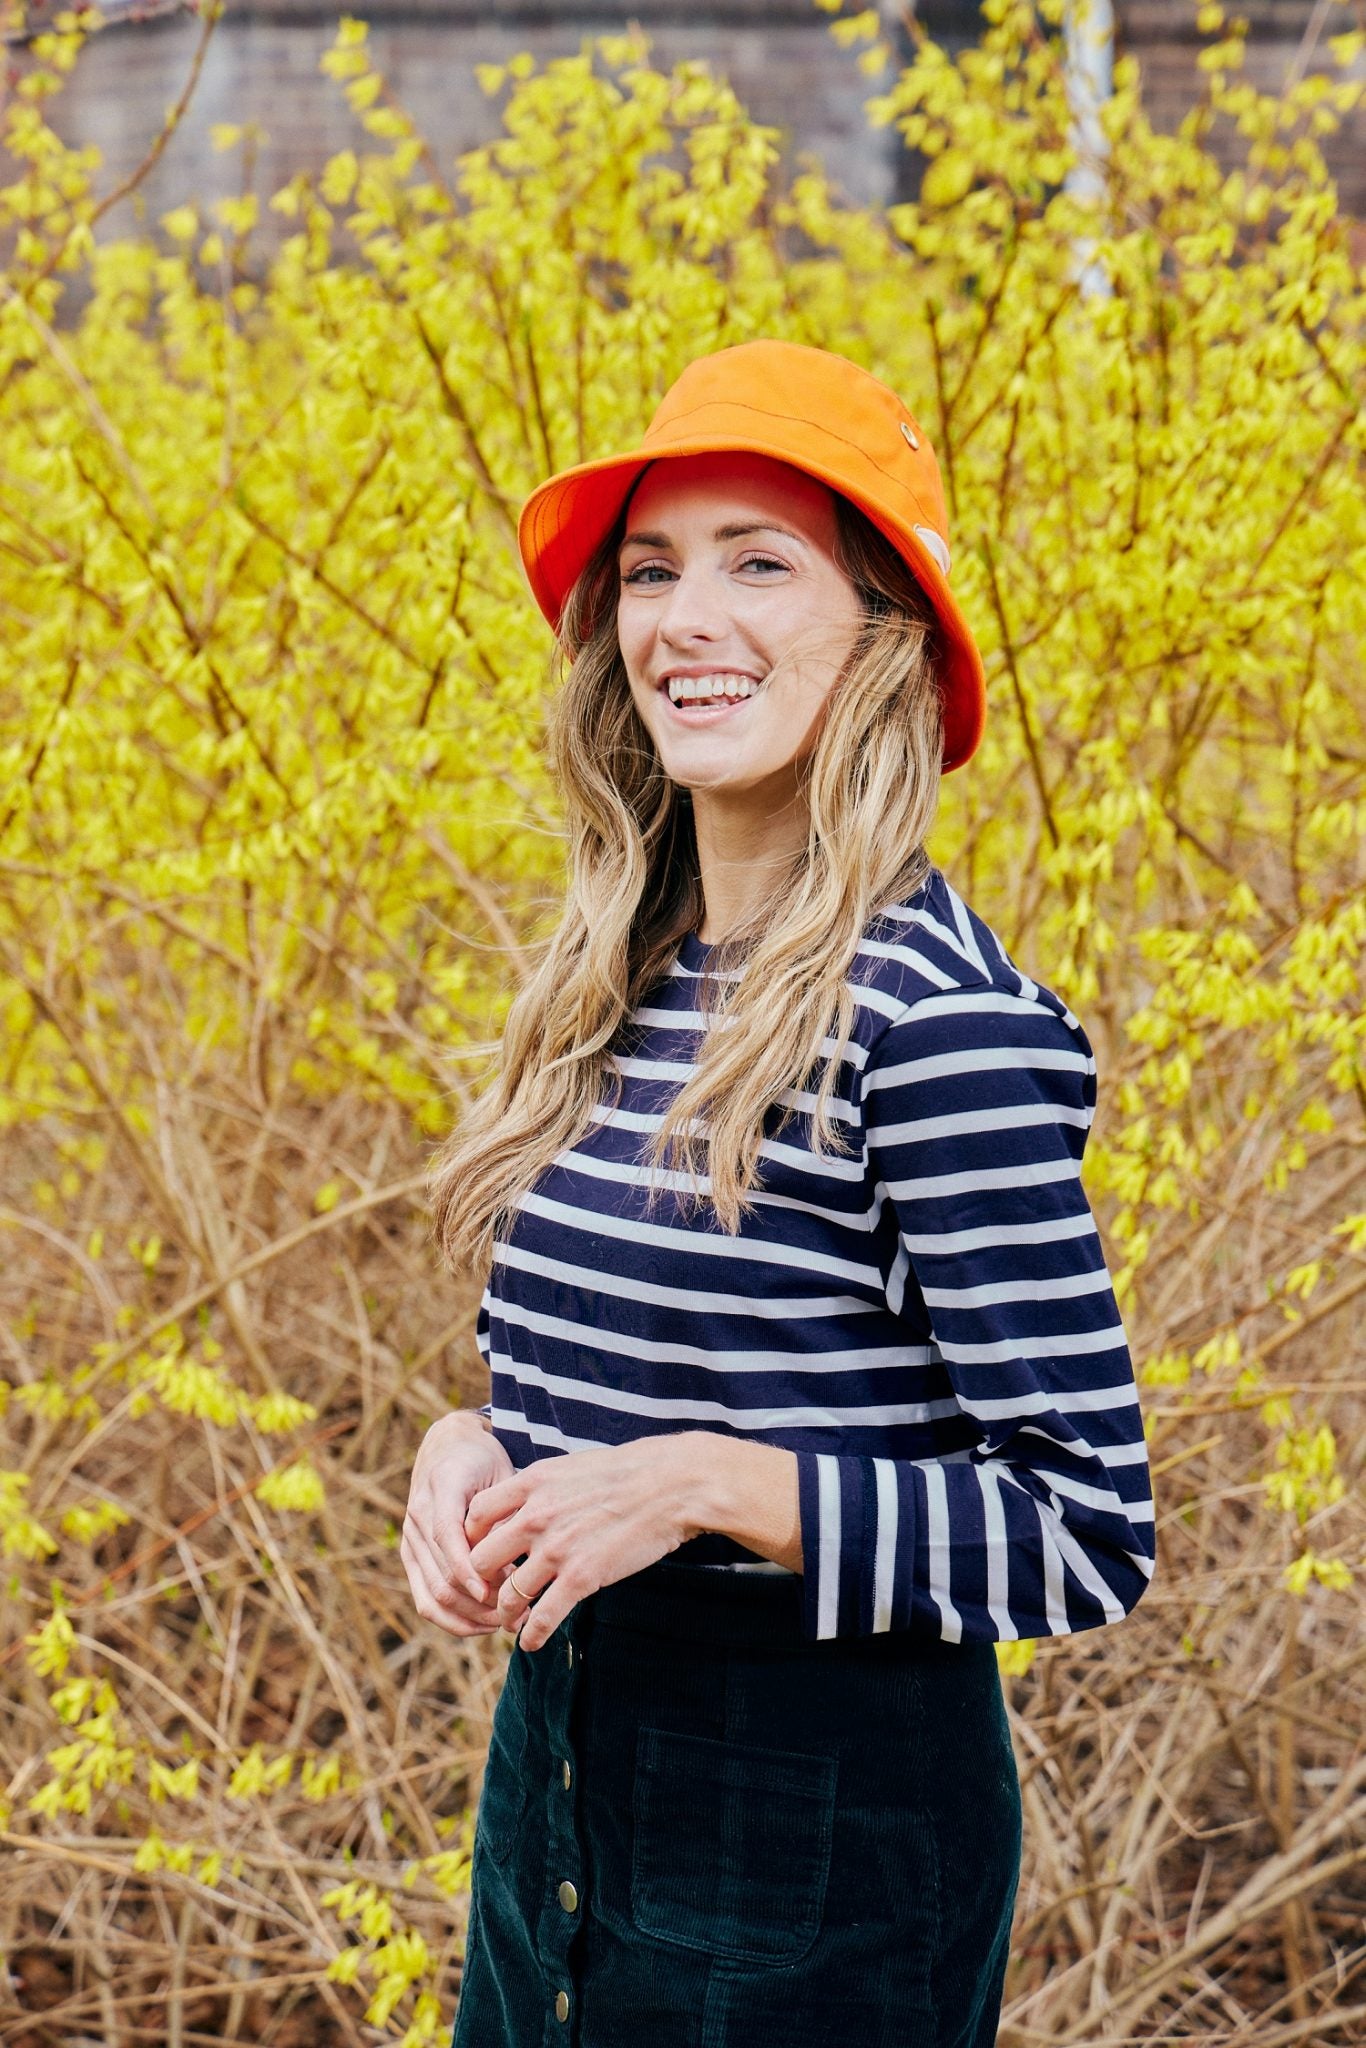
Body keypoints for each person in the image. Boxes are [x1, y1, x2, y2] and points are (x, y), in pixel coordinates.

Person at [403, 339, 1154, 2048]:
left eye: (758, 565)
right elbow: (653, 1361)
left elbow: (1087, 1530)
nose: (685, 620)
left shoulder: (935, 1024)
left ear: (886, 635)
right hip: (559, 1779)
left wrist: (706, 1486)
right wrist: (478, 1449)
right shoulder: (620, 978)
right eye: (649, 570)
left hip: (817, 1829)